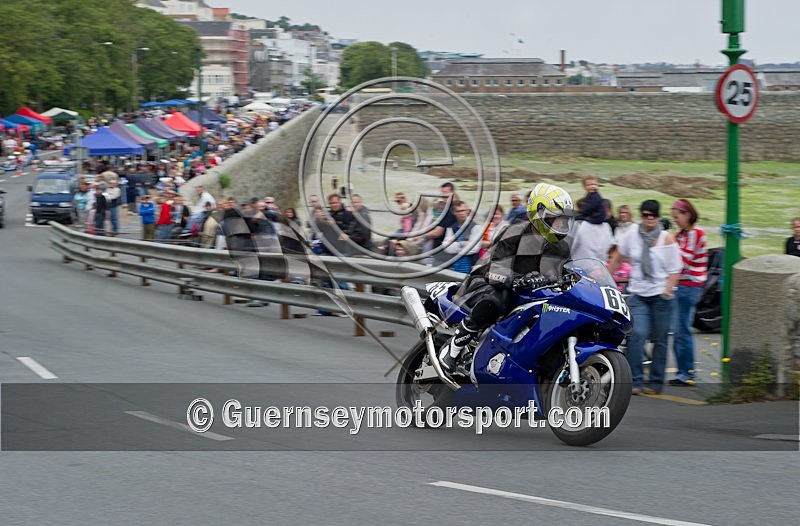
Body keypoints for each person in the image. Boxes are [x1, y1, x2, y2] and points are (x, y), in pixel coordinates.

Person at [439, 183, 574, 373]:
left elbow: (568, 273)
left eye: (564, 220)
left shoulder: (561, 248)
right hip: (488, 283)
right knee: (498, 298)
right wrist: (518, 279)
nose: (561, 225)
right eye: (556, 219)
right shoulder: (514, 232)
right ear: (539, 214)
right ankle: (455, 345)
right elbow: (495, 266)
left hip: (529, 297)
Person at [609, 199, 682, 395]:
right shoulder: (632, 235)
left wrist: (667, 290)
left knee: (660, 339)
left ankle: (655, 384)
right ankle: (635, 381)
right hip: (639, 295)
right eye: (646, 215)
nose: (649, 219)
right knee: (637, 334)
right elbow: (617, 257)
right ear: (641, 216)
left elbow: (675, 269)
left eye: (653, 215)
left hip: (661, 296)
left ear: (658, 217)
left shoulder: (667, 239)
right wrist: (605, 278)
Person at [670, 199, 707, 386]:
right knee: (678, 331)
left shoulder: (695, 233)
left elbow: (684, 259)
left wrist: (670, 243)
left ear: (688, 215)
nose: (676, 221)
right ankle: (682, 372)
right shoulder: (680, 235)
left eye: (678, 217)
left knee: (682, 330)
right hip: (680, 286)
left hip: (689, 286)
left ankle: (687, 373)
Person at [442, 200, 482, 273]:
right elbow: (446, 247)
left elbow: (474, 249)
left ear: (467, 211)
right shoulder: (451, 227)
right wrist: (461, 244)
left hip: (471, 267)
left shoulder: (476, 227)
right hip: (455, 267)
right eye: (458, 211)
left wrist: (454, 245)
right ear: (454, 212)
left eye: (463, 210)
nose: (461, 213)